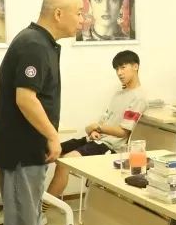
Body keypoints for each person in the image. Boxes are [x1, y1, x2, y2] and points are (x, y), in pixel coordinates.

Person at [0, 0, 83, 225]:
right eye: (78, 12)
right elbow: (25, 99)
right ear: (58, 14)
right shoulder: (33, 45)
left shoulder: (44, 43)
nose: (82, 19)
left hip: (31, 148)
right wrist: (54, 137)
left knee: (34, 216)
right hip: (19, 150)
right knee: (22, 221)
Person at [48, 50, 147, 198]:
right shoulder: (119, 94)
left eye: (123, 67)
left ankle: (42, 209)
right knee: (50, 151)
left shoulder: (139, 98)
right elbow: (105, 118)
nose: (119, 73)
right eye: (117, 69)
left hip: (110, 146)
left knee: (65, 162)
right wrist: (95, 130)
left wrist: (98, 127)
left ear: (135, 67)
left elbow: (123, 132)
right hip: (96, 139)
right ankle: (33, 203)